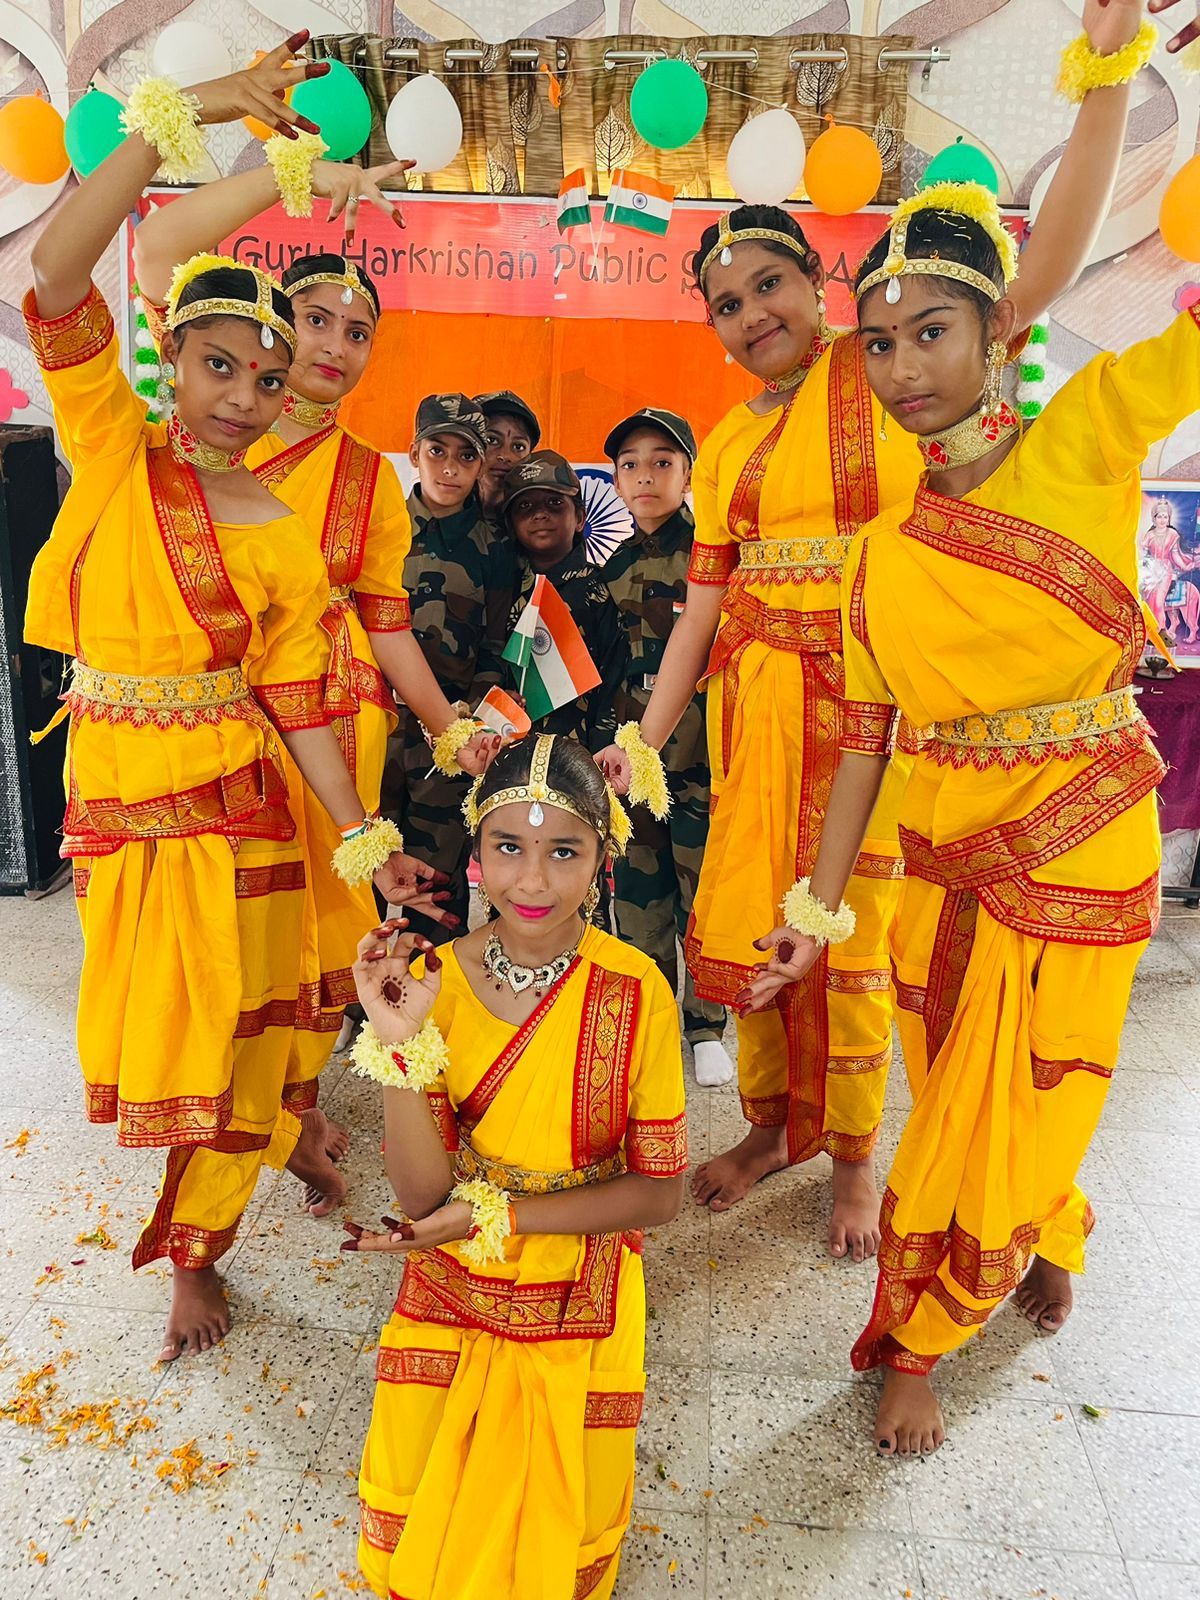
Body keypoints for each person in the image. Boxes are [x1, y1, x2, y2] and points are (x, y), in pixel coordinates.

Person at [598, 0, 1149, 1253]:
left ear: (820, 285)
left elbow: (1040, 271)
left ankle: (853, 1156)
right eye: (725, 303)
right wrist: (647, 734)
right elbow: (702, 607)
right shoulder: (724, 443)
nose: (752, 314)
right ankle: (770, 1124)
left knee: (858, 938)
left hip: (883, 716)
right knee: (757, 922)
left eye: (770, 284)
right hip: (760, 717)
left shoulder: (889, 367)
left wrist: (1109, 78)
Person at [742, 0, 1176, 1455]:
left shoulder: (1091, 435)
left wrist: (1111, 78)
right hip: (945, 865)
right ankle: (1014, 1243)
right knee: (959, 1097)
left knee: (1047, 1089)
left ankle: (938, 1320)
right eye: (879, 344)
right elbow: (864, 744)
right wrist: (813, 910)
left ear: (1000, 330)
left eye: (932, 332)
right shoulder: (878, 554)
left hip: (1087, 842)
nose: (904, 366)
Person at [21, 44, 440, 1360]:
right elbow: (58, 270)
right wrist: (187, 115)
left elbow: (301, 699)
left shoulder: (277, 524)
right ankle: (276, 1145)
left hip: (240, 806)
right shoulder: (114, 445)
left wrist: (362, 836)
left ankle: (200, 1245)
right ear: (171, 360)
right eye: (221, 367)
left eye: (266, 379)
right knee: (174, 1030)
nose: (247, 399)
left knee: (247, 1031)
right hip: (117, 806)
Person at [134, 195, 500, 1212]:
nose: (336, 346)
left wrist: (449, 729)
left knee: (313, 946)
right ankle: (221, 1152)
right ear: (272, 327)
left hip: (336, 730)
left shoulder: (369, 480)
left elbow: (388, 627)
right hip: (212, 731)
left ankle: (287, 1115)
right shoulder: (202, 442)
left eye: (359, 331)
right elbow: (156, 256)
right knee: (219, 956)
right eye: (317, 321)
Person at [343, 733, 687, 1600]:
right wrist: (400, 1043)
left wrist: (500, 1215)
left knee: (553, 1525)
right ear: (475, 850)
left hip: (579, 1262)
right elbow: (423, 1195)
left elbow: (659, 1194)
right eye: (508, 847)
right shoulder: (431, 980)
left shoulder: (636, 991)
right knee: (426, 1509)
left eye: (563, 851)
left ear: (604, 859)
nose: (532, 882)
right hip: (456, 1265)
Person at [602, 408, 733, 1088]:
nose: (644, 477)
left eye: (662, 462)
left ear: (688, 474)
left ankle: (706, 1025)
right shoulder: (612, 568)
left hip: (698, 763)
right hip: (632, 767)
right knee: (637, 897)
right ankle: (652, 1017)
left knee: (701, 896)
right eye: (630, 465)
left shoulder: (713, 560)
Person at [381, 394, 516, 940]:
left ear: (481, 466)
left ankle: (431, 980)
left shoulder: (494, 547)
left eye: (466, 456)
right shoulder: (382, 526)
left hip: (448, 740)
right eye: (437, 451)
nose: (450, 468)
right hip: (375, 726)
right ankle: (352, 986)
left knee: (435, 884)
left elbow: (497, 646)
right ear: (414, 453)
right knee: (361, 864)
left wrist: (467, 721)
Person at [502, 450, 629, 753]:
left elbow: (614, 677)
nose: (540, 514)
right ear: (510, 524)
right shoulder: (502, 588)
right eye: (525, 506)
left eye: (555, 503)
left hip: (580, 753)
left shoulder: (601, 590)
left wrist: (601, 751)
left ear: (580, 518)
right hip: (509, 750)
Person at [1140, 497, 1200, 642]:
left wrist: (1186, 566)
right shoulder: (1149, 535)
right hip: (1151, 570)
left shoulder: (1173, 535)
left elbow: (1175, 555)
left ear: (1169, 518)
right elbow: (1143, 553)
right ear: (1154, 519)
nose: (1162, 520)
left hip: (1165, 571)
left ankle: (1160, 632)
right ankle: (1149, 630)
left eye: (1165, 517)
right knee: (1144, 599)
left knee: (1157, 600)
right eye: (1159, 516)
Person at [475, 389, 542, 515]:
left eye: (518, 446)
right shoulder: (440, 510)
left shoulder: (536, 517)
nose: (505, 456)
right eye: (491, 440)